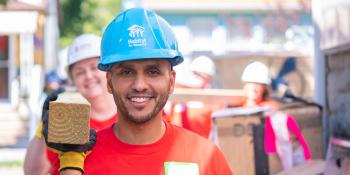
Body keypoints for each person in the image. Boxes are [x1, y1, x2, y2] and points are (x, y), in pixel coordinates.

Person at [41, 8, 233, 175]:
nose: (140, 84)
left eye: (153, 71)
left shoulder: (206, 157)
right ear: (109, 81)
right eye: (126, 72)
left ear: (171, 81)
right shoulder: (77, 160)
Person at [23, 34, 118, 175]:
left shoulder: (130, 113)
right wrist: (44, 125)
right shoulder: (65, 120)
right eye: (80, 72)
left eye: (94, 67)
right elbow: (33, 172)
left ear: (108, 72)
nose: (88, 76)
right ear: (72, 79)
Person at [240, 61, 311, 170]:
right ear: (244, 84)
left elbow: (302, 147)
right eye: (251, 82)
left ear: (265, 88)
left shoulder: (276, 115)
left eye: (258, 83)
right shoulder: (234, 114)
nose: (254, 87)